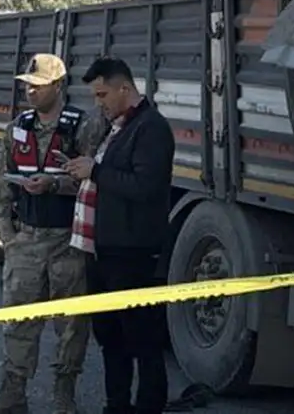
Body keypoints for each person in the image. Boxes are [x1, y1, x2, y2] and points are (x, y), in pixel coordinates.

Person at [0, 53, 106, 414]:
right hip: (27, 239)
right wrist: (7, 234)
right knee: (18, 318)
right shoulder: (17, 128)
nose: (29, 92)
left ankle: (63, 392)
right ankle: (13, 390)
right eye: (26, 85)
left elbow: (94, 180)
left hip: (68, 241)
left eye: (37, 86)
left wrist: (55, 183)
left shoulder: (84, 127)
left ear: (58, 86)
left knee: (71, 324)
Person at [63, 56, 175, 414]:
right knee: (111, 338)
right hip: (104, 251)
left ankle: (148, 406)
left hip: (134, 255)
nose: (99, 103)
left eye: (102, 95)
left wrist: (94, 171)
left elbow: (144, 186)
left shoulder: (151, 128)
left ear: (124, 88)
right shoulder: (116, 128)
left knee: (143, 340)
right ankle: (117, 406)